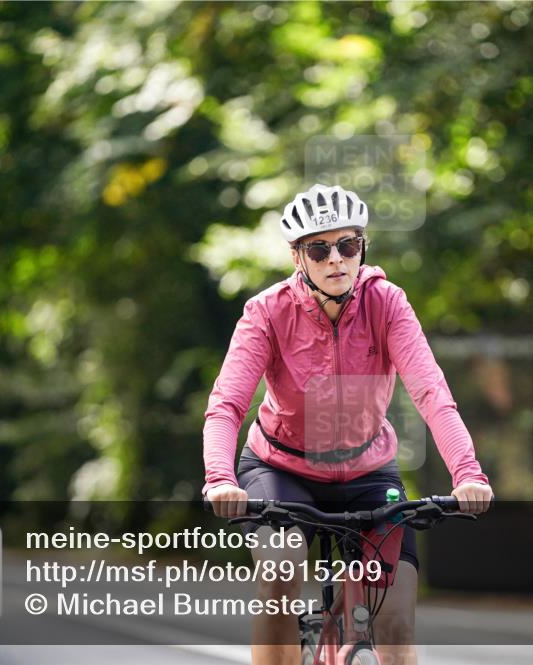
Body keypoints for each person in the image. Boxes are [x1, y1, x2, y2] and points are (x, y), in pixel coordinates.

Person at [203, 183, 494, 665]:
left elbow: (431, 394)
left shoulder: (387, 304)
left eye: (349, 245)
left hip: (368, 472)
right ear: (299, 257)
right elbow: (227, 404)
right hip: (281, 469)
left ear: (363, 247)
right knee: (281, 570)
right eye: (320, 249)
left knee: (397, 622)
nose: (336, 259)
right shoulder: (267, 312)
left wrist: (468, 474)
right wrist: (220, 479)